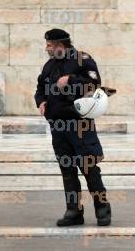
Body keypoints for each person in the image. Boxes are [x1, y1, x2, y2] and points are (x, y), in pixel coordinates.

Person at [34, 28, 111, 226]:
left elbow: (94, 84)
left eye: (49, 46)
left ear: (60, 46)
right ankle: (74, 210)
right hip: (58, 126)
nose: (47, 49)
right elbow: (40, 87)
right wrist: (41, 101)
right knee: (67, 170)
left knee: (89, 167)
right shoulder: (50, 65)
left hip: (79, 124)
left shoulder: (83, 60)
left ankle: (102, 208)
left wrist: (71, 80)